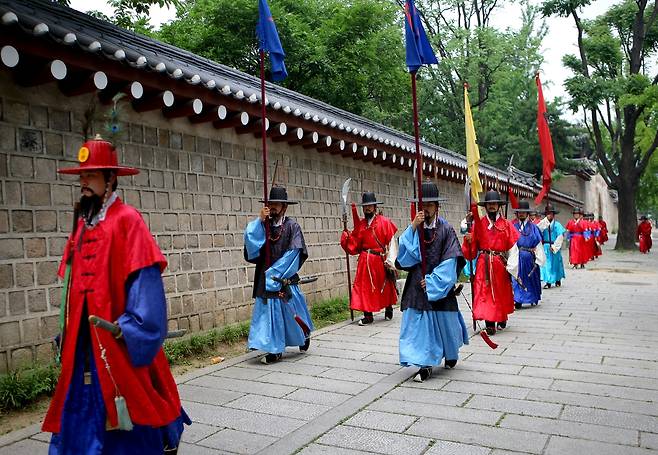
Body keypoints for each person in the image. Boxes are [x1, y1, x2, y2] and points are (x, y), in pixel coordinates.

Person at [44, 135, 190, 454]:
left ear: (111, 179)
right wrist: (67, 329)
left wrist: (134, 328)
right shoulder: (82, 224)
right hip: (81, 346)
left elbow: (146, 286)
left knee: (128, 414)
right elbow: (73, 287)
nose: (83, 183)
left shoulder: (128, 221)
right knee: (76, 412)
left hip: (117, 341)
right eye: (81, 176)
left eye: (91, 176)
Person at [396, 181, 469, 382]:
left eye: (430, 205)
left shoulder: (446, 229)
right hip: (417, 283)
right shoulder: (414, 229)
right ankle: (425, 363)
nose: (426, 209)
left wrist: (434, 281)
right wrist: (412, 227)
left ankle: (450, 352)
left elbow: (451, 260)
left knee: (446, 325)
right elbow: (405, 258)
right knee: (419, 326)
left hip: (439, 284)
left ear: (437, 206)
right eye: (423, 205)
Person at [244, 186, 314, 364]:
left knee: (293, 313)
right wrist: (259, 221)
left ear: (285, 207)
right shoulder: (263, 226)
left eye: (277, 204)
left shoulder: (292, 226)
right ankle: (274, 349)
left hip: (283, 277)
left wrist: (276, 273)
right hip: (265, 277)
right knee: (269, 315)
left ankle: (303, 336)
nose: (273, 207)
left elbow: (295, 252)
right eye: (271, 204)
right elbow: (252, 247)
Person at [462, 190, 520, 336]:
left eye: (495, 204)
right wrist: (468, 241)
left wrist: (512, 266)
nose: (492, 206)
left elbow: (513, 247)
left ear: (499, 205)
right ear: (486, 206)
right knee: (485, 293)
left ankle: (501, 317)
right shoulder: (479, 224)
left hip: (499, 263)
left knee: (500, 293)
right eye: (489, 204)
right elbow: (471, 252)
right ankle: (489, 322)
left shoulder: (506, 224)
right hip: (483, 263)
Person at [340, 192, 398, 326]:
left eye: (370, 206)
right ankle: (368, 315)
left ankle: (388, 307)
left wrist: (391, 259)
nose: (367, 209)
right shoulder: (361, 225)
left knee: (384, 286)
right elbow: (354, 245)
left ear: (375, 207)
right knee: (364, 288)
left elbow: (391, 242)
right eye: (365, 206)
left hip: (380, 259)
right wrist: (347, 237)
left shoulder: (384, 222)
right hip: (365, 261)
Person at [511, 201, 545, 309]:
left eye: (524, 212)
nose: (521, 214)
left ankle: (532, 297)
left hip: (530, 257)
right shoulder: (513, 226)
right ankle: (518, 299)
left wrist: (539, 259)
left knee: (531, 278)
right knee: (517, 278)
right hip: (517, 255)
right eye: (519, 212)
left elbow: (538, 244)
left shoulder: (533, 227)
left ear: (527, 214)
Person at [537, 203, 566, 289]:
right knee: (546, 264)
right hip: (546, 246)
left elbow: (560, 237)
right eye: (547, 213)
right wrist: (545, 222)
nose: (549, 215)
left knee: (556, 264)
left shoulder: (557, 225)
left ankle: (557, 279)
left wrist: (554, 247)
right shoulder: (543, 223)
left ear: (553, 214)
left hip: (554, 246)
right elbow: (538, 229)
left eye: (551, 213)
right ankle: (548, 281)